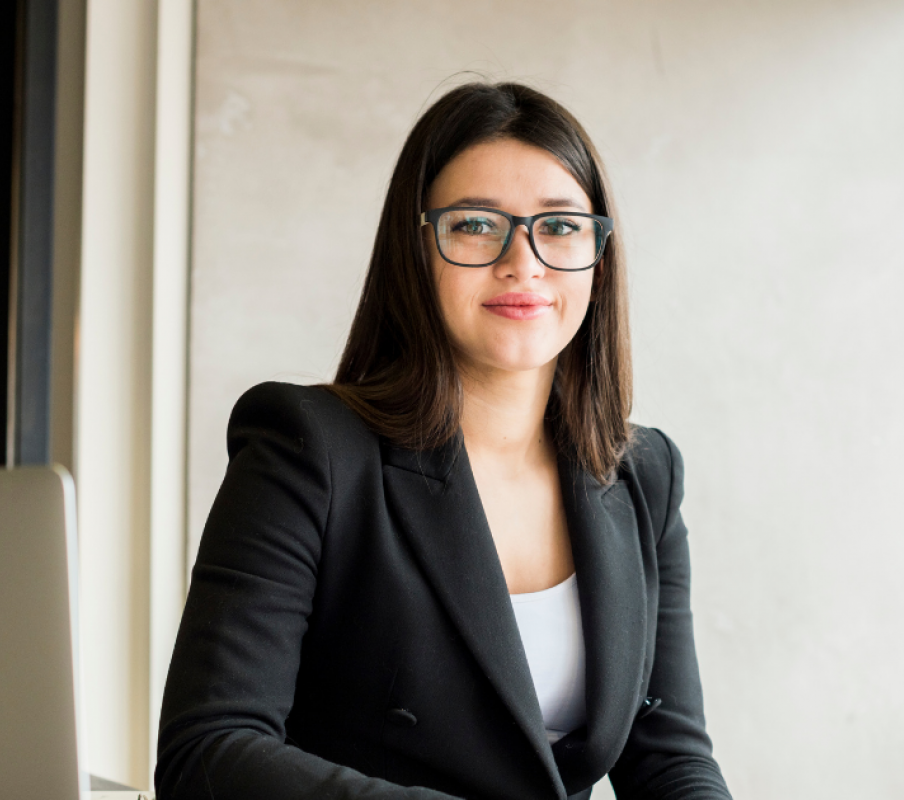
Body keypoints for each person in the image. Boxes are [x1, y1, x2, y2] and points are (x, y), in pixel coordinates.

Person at [155, 81, 732, 800]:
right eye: (475, 224)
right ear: (415, 250)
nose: (523, 262)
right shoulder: (308, 450)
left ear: (599, 260)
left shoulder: (644, 475)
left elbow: (671, 762)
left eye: (558, 227)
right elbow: (209, 751)